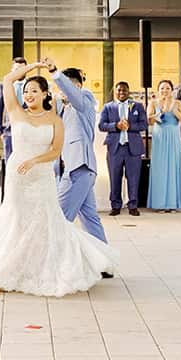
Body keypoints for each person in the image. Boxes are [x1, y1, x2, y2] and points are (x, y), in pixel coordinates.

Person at [0, 64, 117, 296]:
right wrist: (31, 67)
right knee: (24, 220)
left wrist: (54, 73)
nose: (29, 94)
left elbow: (55, 148)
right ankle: (98, 261)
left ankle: (62, 263)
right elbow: (7, 80)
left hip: (61, 170)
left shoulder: (75, 104)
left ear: (46, 93)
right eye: (26, 91)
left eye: (35, 90)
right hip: (23, 176)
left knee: (53, 222)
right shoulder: (20, 112)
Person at [44, 59, 108, 247]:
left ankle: (53, 261)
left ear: (77, 86)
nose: (63, 92)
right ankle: (104, 262)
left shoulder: (85, 98)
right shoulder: (64, 109)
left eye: (67, 87)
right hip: (75, 169)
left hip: (79, 168)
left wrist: (56, 73)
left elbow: (74, 95)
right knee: (90, 219)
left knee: (59, 218)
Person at [99, 81, 147, 217]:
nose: (121, 93)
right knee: (115, 178)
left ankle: (133, 205)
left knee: (133, 178)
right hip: (115, 148)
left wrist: (130, 126)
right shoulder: (108, 107)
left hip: (133, 148)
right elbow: (101, 125)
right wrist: (116, 126)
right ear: (115, 91)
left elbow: (144, 124)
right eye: (119, 90)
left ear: (128, 91)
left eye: (124, 90)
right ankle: (115, 206)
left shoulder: (137, 106)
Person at [147, 79, 181, 211]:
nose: (165, 91)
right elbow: (149, 121)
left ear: (172, 90)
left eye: (167, 88)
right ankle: (159, 203)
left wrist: (175, 111)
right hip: (159, 137)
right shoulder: (153, 103)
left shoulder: (178, 103)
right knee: (160, 167)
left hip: (173, 136)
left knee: (173, 166)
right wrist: (160, 113)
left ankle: (173, 203)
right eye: (162, 88)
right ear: (158, 90)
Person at [0, 57, 28, 160]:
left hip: (28, 130)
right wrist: (0, 131)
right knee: (10, 162)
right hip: (9, 131)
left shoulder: (32, 85)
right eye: (17, 69)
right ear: (12, 71)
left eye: (22, 69)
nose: (19, 72)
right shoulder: (3, 85)